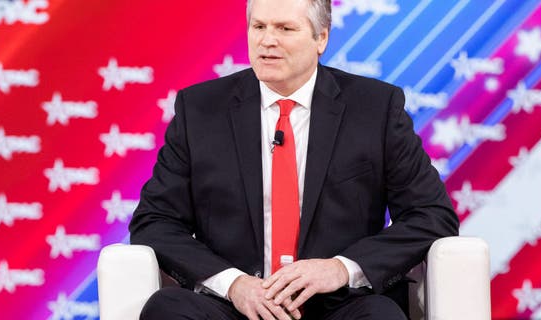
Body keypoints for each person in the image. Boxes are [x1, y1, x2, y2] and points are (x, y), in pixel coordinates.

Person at [129, 0, 459, 318]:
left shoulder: (375, 108)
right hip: (233, 304)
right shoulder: (200, 109)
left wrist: (340, 268)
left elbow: (431, 215)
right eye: (258, 26)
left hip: (339, 304)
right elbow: (154, 221)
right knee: (166, 309)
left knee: (380, 315)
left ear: (321, 38)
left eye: (285, 28)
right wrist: (233, 284)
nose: (267, 40)